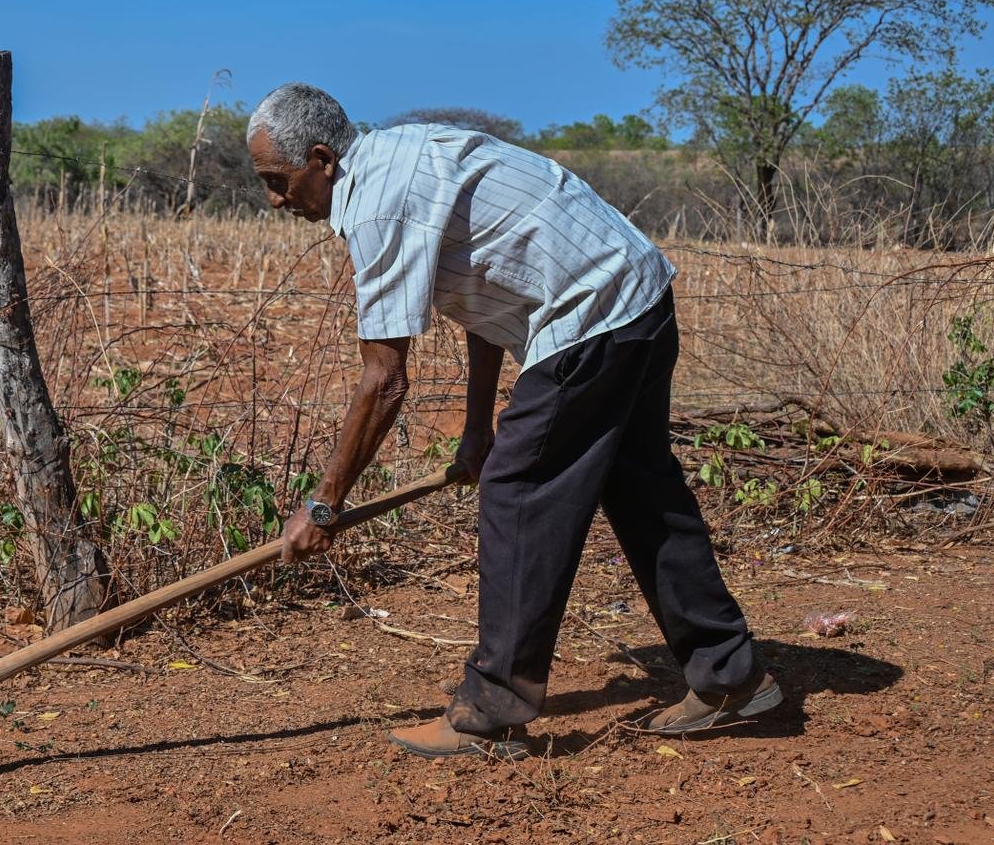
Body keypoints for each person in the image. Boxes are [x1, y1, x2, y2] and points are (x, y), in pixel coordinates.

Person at [246, 83, 781, 759]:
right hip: (637, 297)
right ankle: (731, 675)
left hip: (590, 319)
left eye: (277, 180)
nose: (275, 199)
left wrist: (323, 507)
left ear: (321, 158)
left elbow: (383, 381)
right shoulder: (407, 153)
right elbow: (486, 292)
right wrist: (477, 427)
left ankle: (492, 710)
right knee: (641, 486)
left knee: (516, 493)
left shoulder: (378, 204)